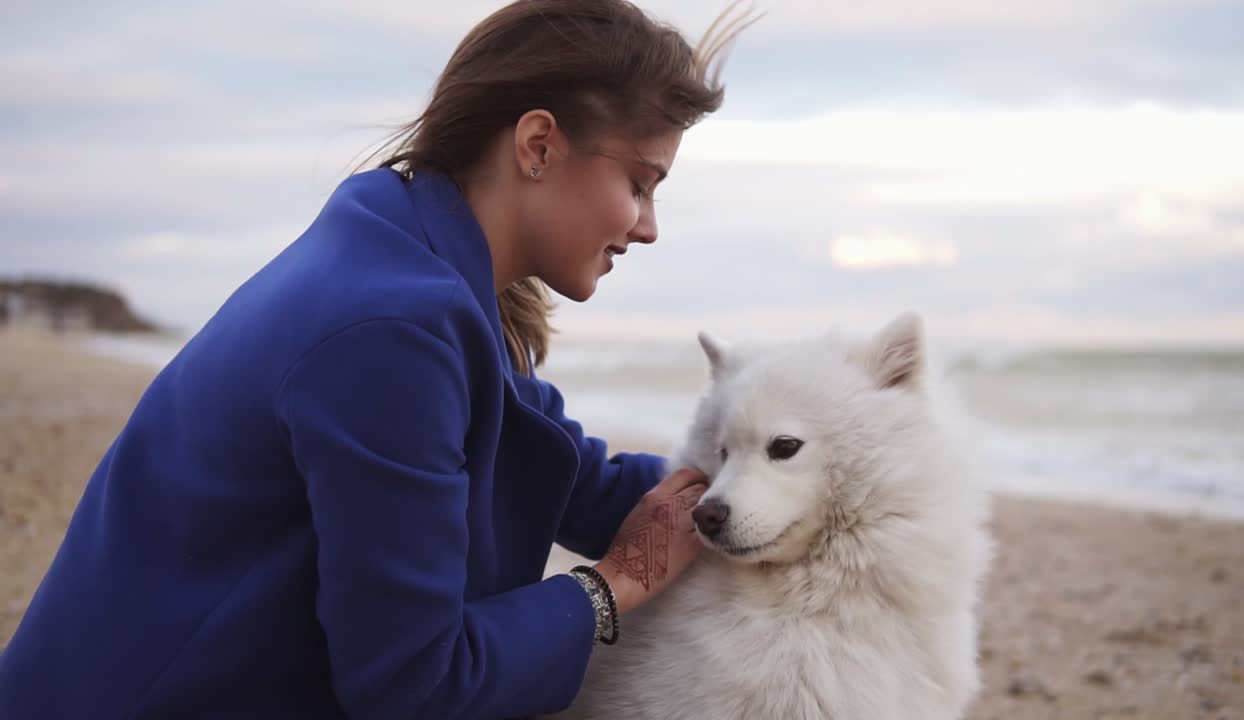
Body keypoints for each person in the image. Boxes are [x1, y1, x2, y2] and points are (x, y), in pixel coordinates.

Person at [0, 1, 756, 718]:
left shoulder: (416, 257)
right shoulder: (393, 325)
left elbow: (570, 476)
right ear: (537, 145)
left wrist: (775, 483)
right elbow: (410, 682)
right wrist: (614, 586)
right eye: (640, 183)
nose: (649, 226)